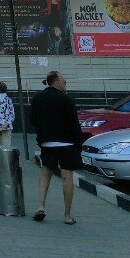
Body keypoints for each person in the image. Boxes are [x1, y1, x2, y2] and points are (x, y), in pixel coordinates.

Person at [30, 71, 81, 225]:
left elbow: (33, 120)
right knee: (67, 177)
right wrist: (78, 142)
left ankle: (40, 207)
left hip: (47, 143)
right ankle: (67, 215)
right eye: (63, 81)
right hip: (67, 144)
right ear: (56, 81)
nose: (65, 83)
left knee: (45, 174)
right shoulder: (66, 99)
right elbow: (74, 122)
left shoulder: (37, 98)